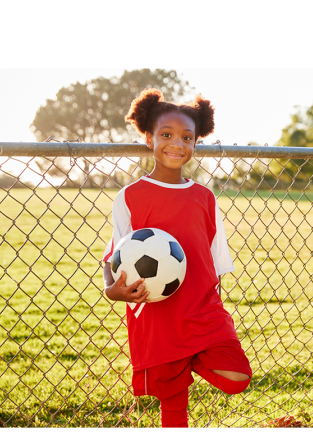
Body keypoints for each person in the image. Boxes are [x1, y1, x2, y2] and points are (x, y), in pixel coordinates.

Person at [102, 88, 251, 428]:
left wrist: (211, 314)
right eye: (166, 135)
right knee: (173, 406)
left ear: (196, 142)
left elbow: (215, 263)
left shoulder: (204, 197)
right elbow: (114, 256)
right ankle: (177, 364)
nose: (176, 144)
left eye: (187, 137)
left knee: (237, 377)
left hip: (201, 312)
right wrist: (112, 290)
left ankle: (191, 358)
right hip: (157, 315)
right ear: (149, 139)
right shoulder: (130, 196)